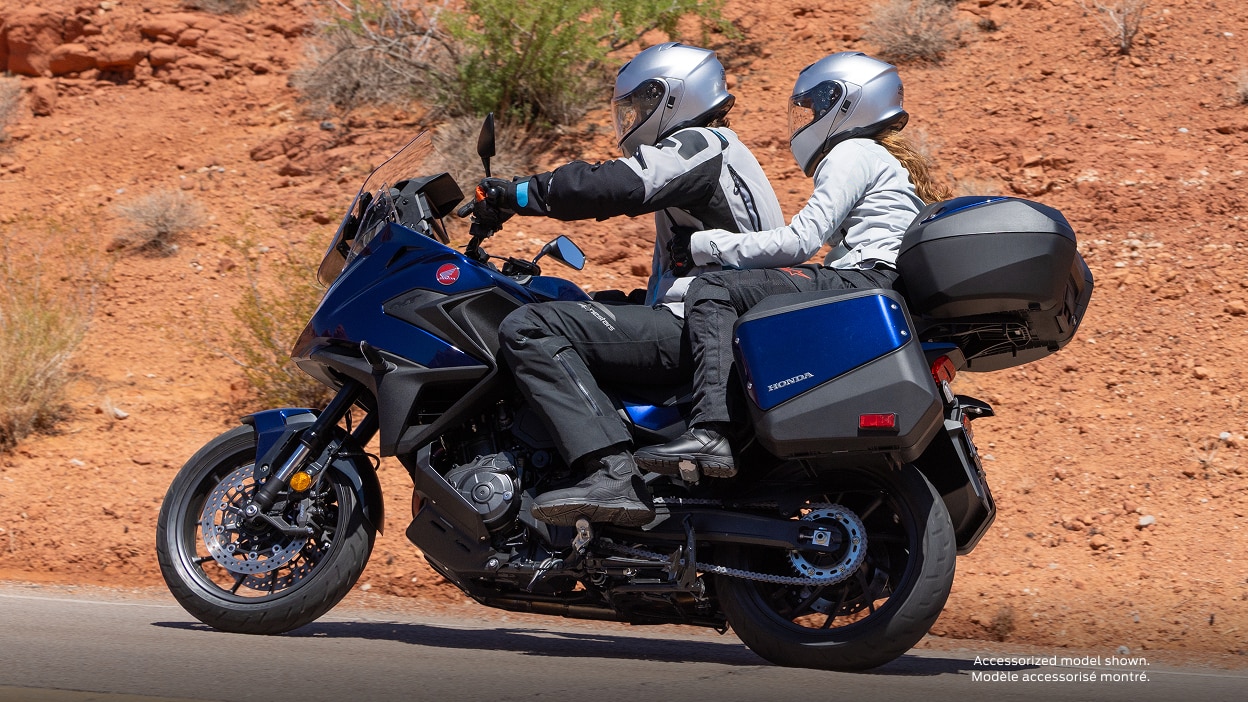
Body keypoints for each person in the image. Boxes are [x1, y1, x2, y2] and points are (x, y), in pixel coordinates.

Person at [471, 43, 785, 527]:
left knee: (529, 327)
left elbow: (616, 185)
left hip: (704, 327)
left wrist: (519, 193)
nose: (631, 119)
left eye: (639, 106)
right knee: (582, 304)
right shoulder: (721, 156)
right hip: (716, 324)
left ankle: (611, 472)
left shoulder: (700, 145)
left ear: (673, 97)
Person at [634, 51, 953, 479]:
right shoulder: (887, 160)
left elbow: (800, 240)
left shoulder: (852, 151)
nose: (810, 118)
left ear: (847, 103)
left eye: (819, 105)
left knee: (713, 290)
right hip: (883, 282)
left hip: (862, 279)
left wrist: (703, 244)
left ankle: (711, 430)